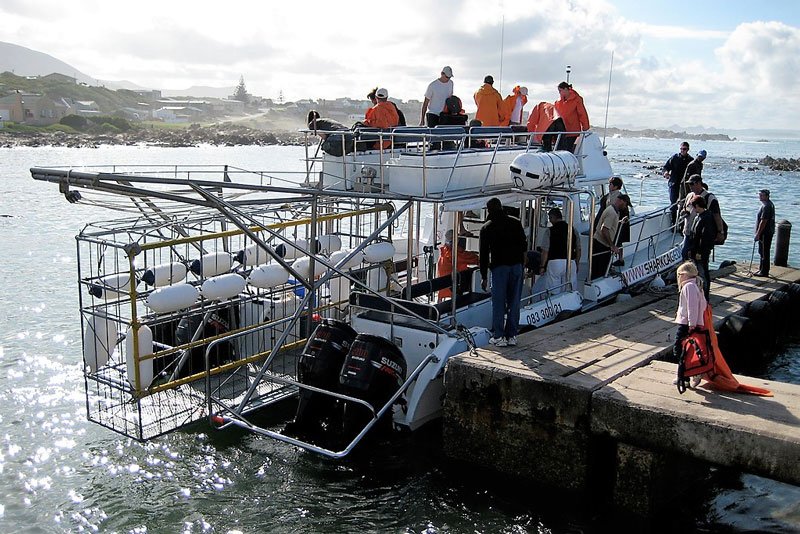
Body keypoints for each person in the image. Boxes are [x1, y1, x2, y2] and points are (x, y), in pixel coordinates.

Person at [479, 197, 527, 347]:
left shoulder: (487, 227)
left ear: (488, 210)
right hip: (516, 266)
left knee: (498, 303)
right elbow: (524, 246)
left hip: (499, 268)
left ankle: (499, 336)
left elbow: (484, 254)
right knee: (514, 302)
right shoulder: (515, 222)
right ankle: (512, 335)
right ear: (501, 207)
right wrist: (522, 265)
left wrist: (484, 276)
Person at [672, 260, 707, 391]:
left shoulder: (689, 287)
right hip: (689, 322)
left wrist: (692, 323)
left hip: (686, 323)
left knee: (679, 349)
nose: (678, 277)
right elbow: (702, 305)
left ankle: (691, 374)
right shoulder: (696, 285)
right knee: (685, 350)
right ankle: (684, 377)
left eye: (679, 274)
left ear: (685, 275)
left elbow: (692, 307)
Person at [539, 208, 581, 292]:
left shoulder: (549, 231)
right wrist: (577, 263)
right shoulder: (572, 230)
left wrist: (542, 266)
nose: (550, 221)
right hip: (570, 262)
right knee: (570, 289)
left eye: (550, 218)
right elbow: (578, 249)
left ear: (553, 217)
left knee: (554, 290)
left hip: (555, 262)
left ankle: (556, 304)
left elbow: (545, 251)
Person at [591, 194, 629, 279]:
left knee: (599, 268)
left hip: (601, 243)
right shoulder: (612, 212)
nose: (626, 207)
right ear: (621, 201)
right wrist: (612, 245)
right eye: (626, 204)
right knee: (599, 269)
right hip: (601, 245)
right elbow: (604, 229)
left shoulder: (613, 211)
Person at [684, 174, 724, 253]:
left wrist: (720, 232)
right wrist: (684, 212)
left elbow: (717, 216)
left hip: (702, 236)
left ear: (699, 183)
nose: (690, 186)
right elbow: (685, 208)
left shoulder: (710, 198)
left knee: (701, 258)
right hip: (689, 232)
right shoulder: (689, 196)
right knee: (685, 254)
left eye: (692, 184)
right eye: (689, 184)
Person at [687, 195, 716, 300]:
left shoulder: (707, 217)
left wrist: (699, 251)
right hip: (695, 249)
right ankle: (700, 295)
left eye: (694, 206)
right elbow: (694, 234)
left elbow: (706, 237)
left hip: (701, 251)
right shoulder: (698, 216)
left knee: (703, 273)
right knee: (698, 273)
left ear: (698, 205)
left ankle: (705, 296)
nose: (693, 209)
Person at [437, 230, 480, 300]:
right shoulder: (454, 254)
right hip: (452, 290)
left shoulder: (444, 251)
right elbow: (472, 258)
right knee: (473, 273)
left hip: (443, 290)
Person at [662, 142, 693, 225]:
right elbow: (665, 167)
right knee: (673, 203)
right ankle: (673, 223)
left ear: (688, 150)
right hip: (674, 184)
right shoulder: (675, 158)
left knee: (684, 204)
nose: (682, 151)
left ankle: (682, 224)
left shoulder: (690, 160)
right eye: (681, 149)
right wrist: (665, 173)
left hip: (685, 186)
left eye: (684, 149)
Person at [553, 82, 589, 152]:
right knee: (559, 150)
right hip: (561, 131)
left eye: (560, 91)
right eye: (558, 91)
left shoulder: (577, 99)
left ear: (566, 89)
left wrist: (585, 127)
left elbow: (582, 114)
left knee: (568, 150)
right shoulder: (557, 102)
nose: (559, 93)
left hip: (572, 131)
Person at [754, 188, 776, 277]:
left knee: (764, 251)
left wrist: (758, 234)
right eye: (759, 195)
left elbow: (764, 221)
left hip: (765, 232)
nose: (759, 196)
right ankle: (762, 268)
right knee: (763, 251)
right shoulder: (768, 204)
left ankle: (764, 271)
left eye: (761, 195)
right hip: (768, 231)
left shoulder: (766, 206)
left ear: (767, 196)